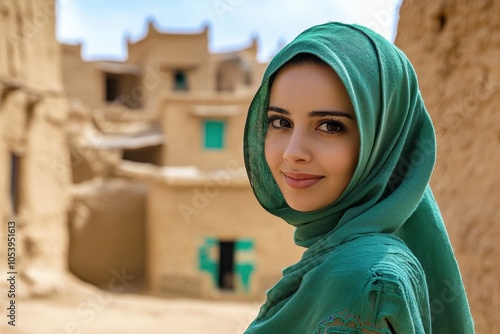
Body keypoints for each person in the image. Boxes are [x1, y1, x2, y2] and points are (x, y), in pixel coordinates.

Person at [243, 22, 474, 333]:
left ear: (383, 143)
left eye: (330, 126)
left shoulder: (365, 286)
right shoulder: (342, 262)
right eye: (280, 121)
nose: (292, 152)